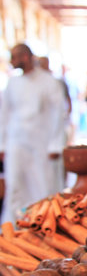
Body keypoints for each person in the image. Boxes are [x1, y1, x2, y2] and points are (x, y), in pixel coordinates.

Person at [0, 43, 66, 223]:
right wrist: (3, 145)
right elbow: (4, 115)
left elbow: (59, 113)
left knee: (42, 186)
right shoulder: (12, 83)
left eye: (15, 57)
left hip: (41, 144)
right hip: (16, 143)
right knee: (15, 185)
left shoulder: (48, 81)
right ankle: (13, 227)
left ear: (26, 57)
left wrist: (55, 144)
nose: (13, 61)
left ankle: (43, 225)